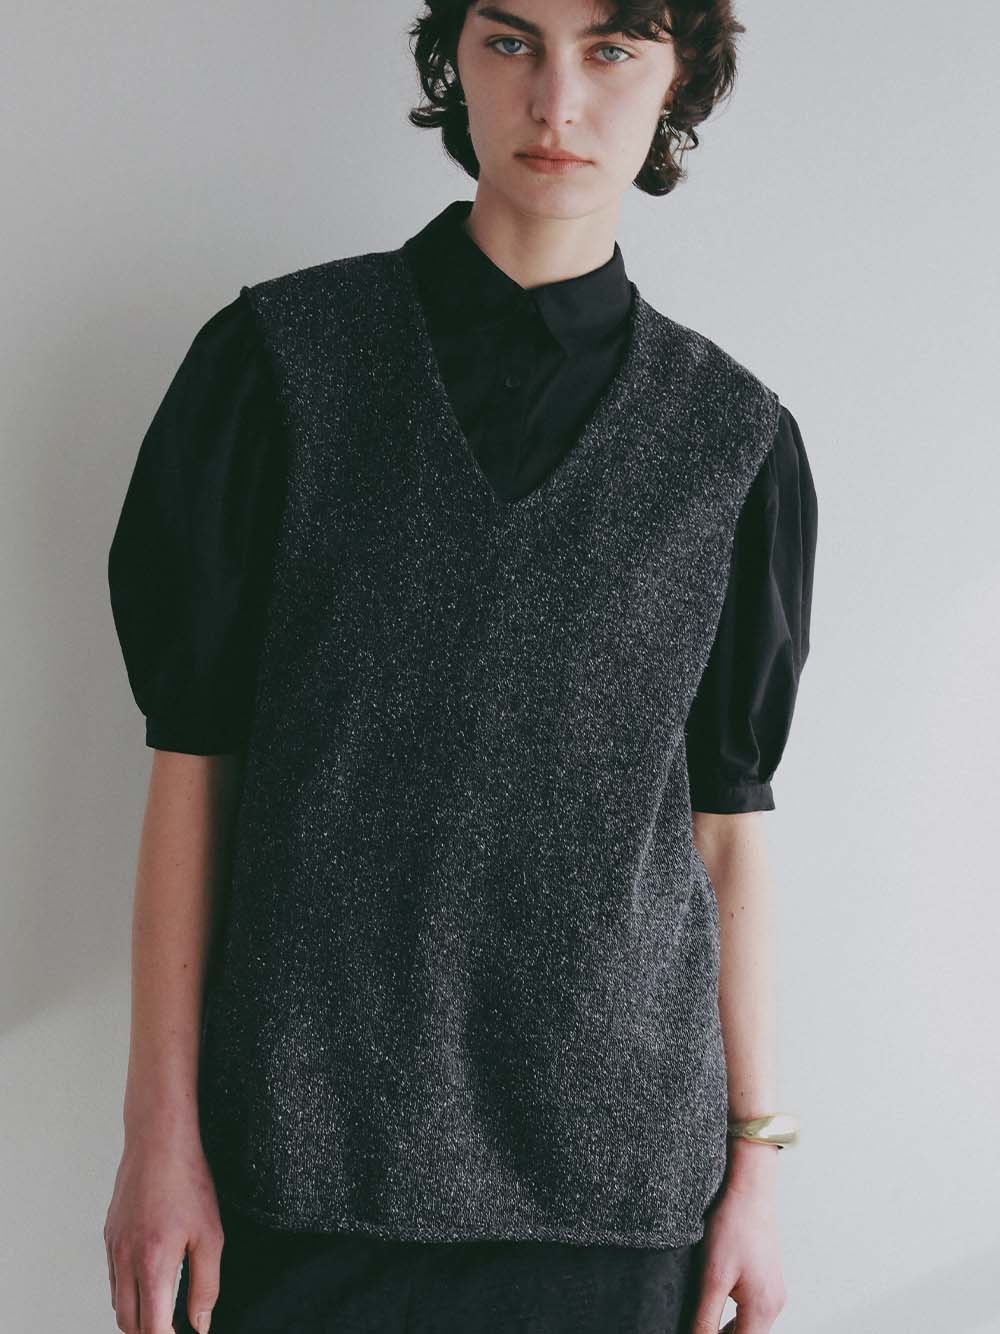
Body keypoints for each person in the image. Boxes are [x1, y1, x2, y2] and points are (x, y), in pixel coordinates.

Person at [104, 1, 818, 1331]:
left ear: (679, 81)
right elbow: (192, 763)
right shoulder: (278, 369)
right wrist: (159, 1134)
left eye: (611, 51)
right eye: (511, 41)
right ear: (455, 60)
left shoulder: (735, 443)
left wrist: (758, 1168)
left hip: (617, 1200)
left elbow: (726, 833)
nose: (557, 99)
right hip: (299, 1170)